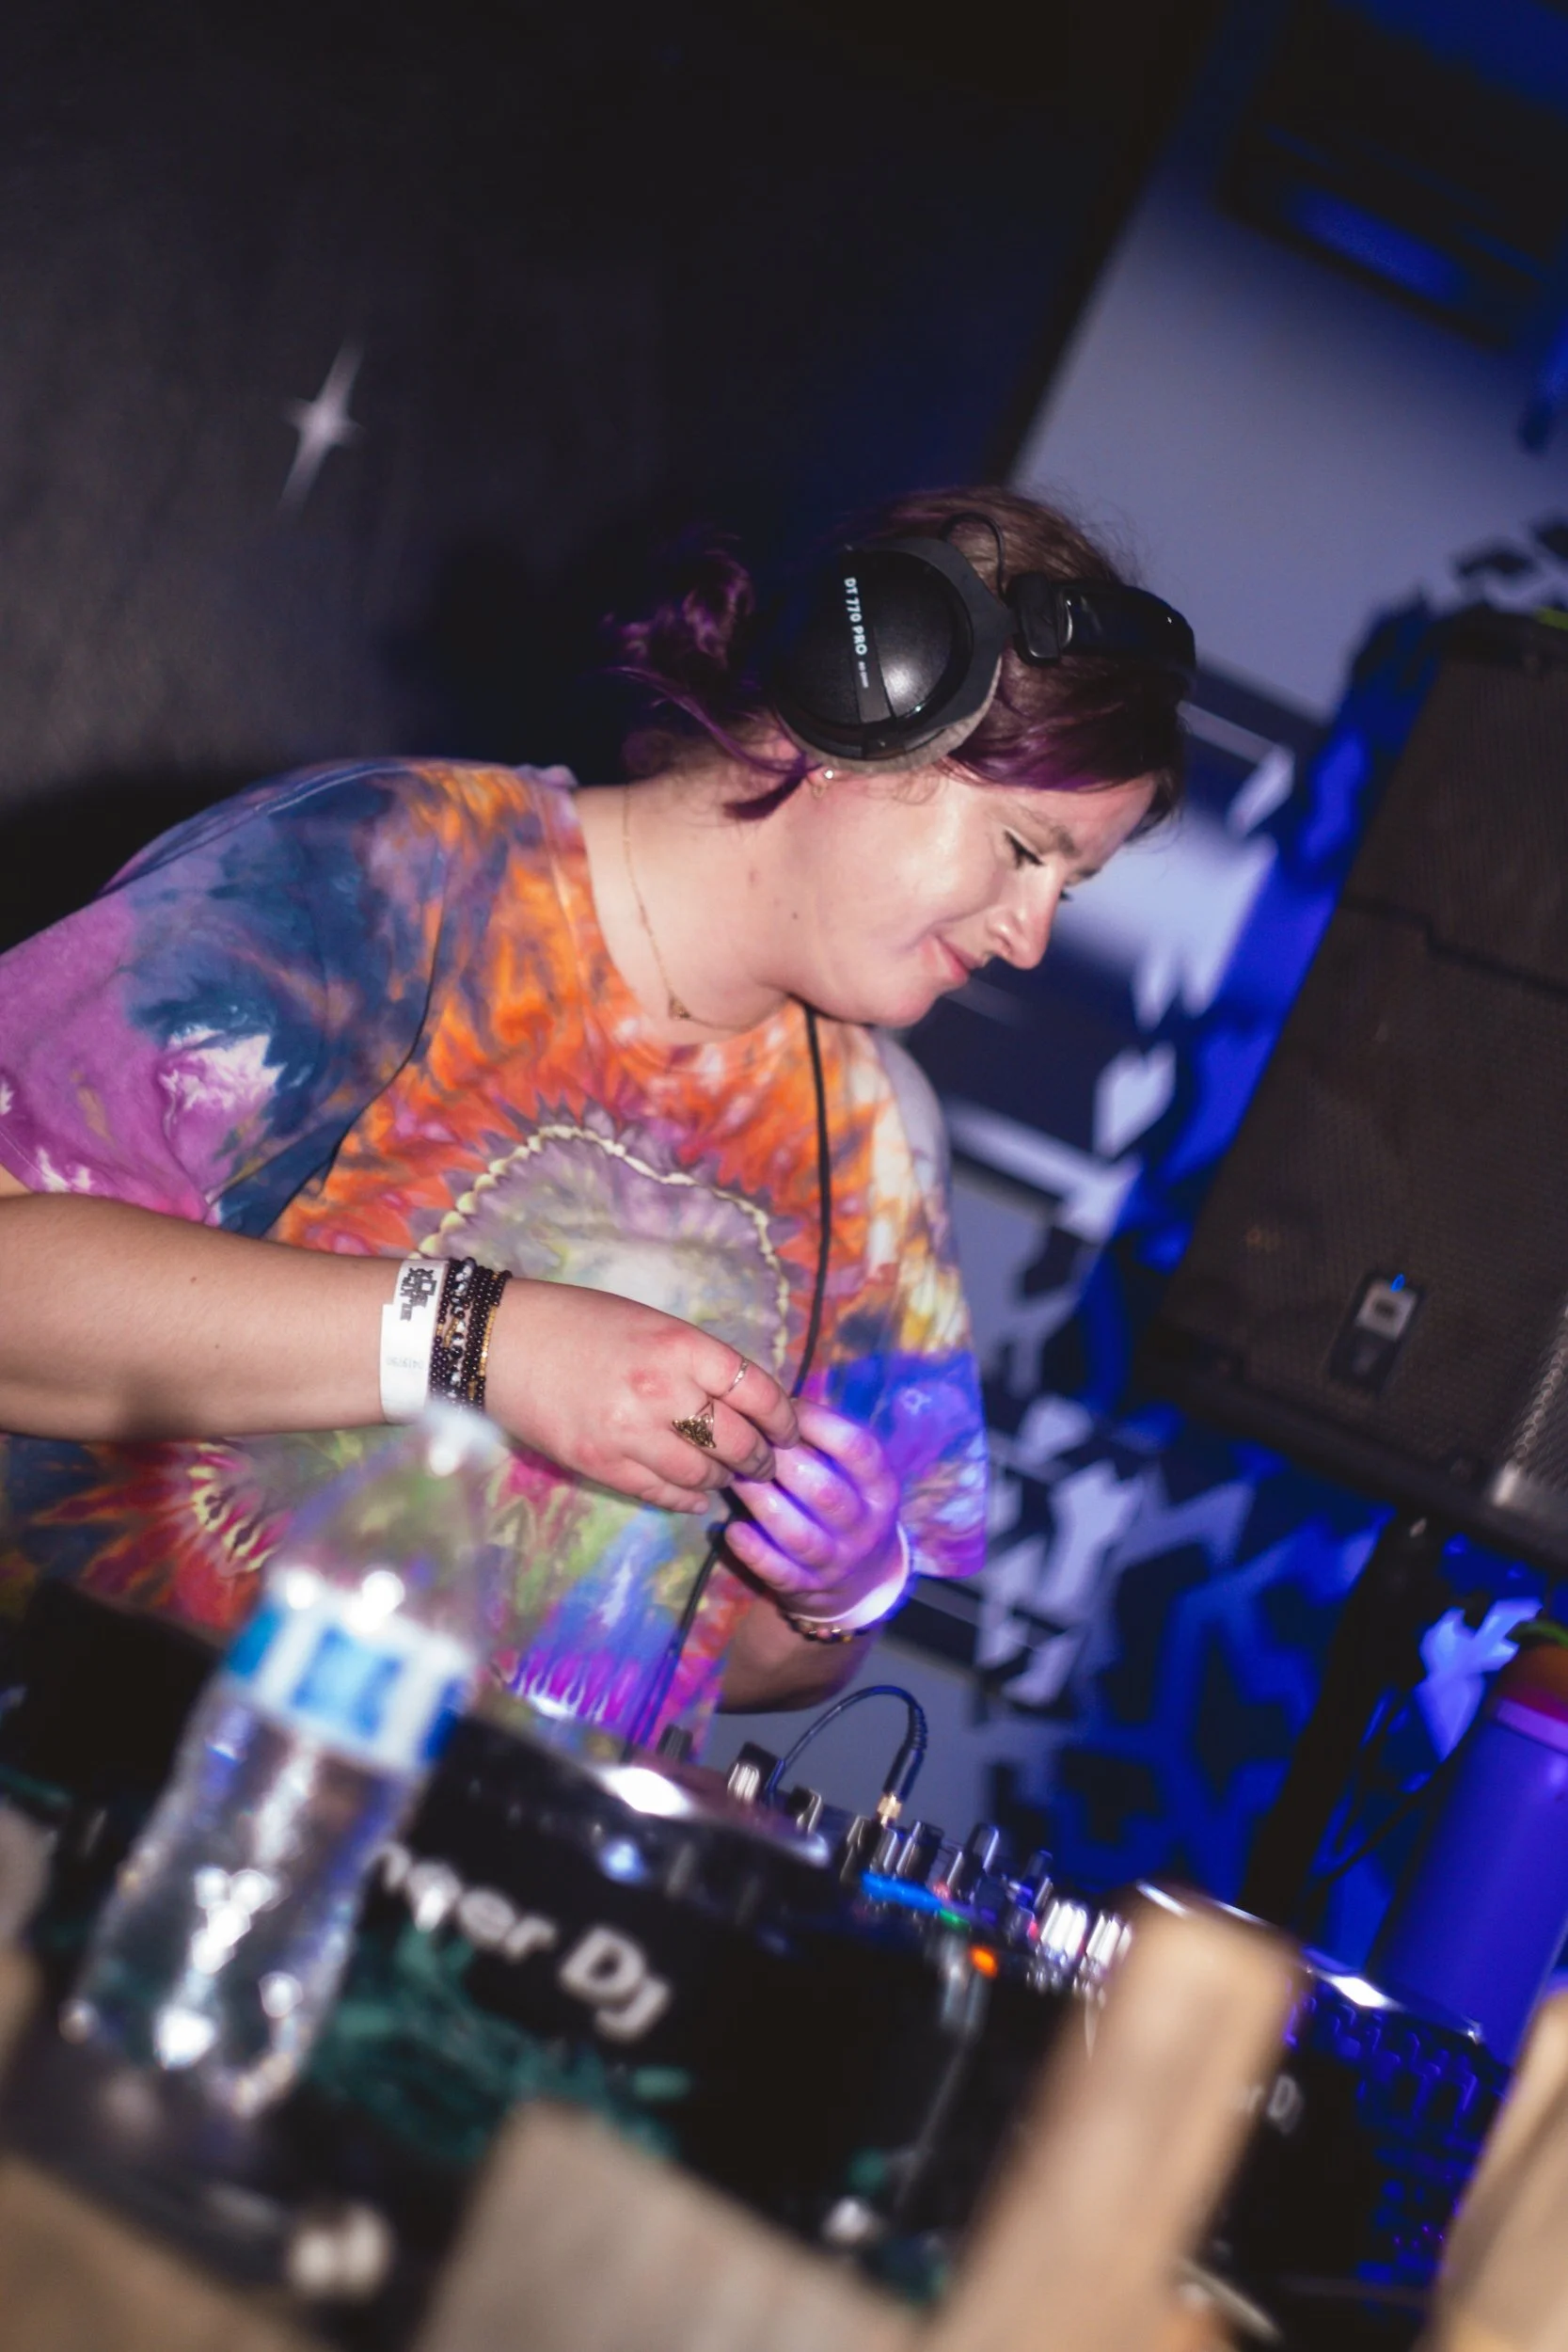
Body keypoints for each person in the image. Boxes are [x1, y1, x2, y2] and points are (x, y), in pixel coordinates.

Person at [0, 486, 1186, 1747]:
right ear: (862, 710)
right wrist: (479, 1339)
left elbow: (759, 1662)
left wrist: (839, 1587)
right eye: (1022, 848)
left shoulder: (886, 1144)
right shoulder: (390, 869)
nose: (1030, 933)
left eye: (1072, 883)